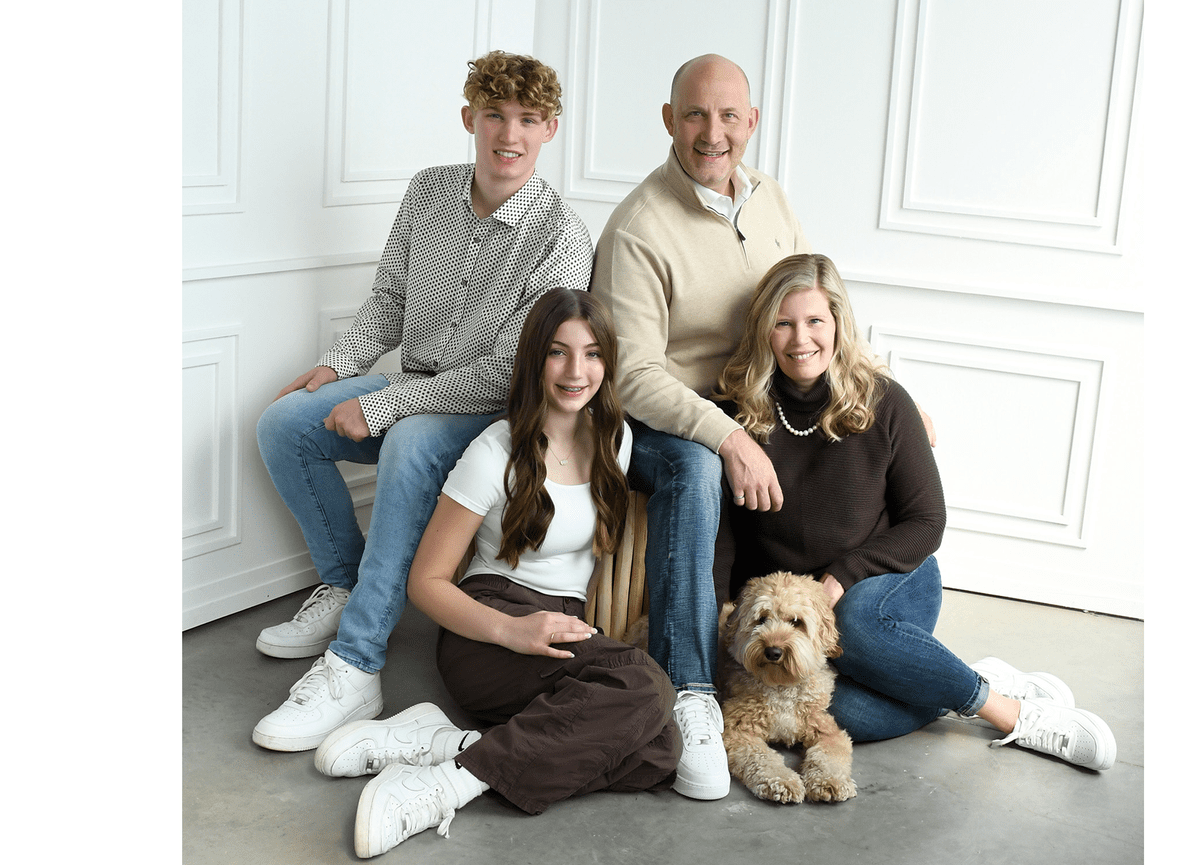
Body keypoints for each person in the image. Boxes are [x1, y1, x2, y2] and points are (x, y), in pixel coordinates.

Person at [251, 51, 595, 752]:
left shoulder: (563, 236)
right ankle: (347, 584)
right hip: (415, 383)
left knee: (408, 440)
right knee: (285, 423)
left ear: (550, 129)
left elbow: (509, 371)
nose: (510, 133)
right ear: (470, 117)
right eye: (495, 114)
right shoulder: (428, 192)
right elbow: (389, 300)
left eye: (528, 119)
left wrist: (385, 407)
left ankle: (356, 663)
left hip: (488, 409)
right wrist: (337, 365)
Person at [308, 289, 679, 858]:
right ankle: (442, 788)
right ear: (535, 359)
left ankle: (446, 745)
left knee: (660, 751)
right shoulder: (495, 450)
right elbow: (426, 582)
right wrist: (514, 631)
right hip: (488, 628)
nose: (576, 371)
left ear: (608, 361)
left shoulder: (615, 439)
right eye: (558, 353)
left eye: (592, 353)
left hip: (563, 636)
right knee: (644, 688)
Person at [711, 253, 1117, 770]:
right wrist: (720, 617)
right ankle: (952, 675)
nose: (800, 340)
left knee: (854, 622)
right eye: (783, 324)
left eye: (815, 321)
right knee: (834, 712)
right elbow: (723, 536)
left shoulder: (884, 401)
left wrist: (839, 579)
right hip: (795, 609)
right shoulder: (733, 414)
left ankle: (1009, 713)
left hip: (889, 578)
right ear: (763, 330)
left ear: (838, 323)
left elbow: (927, 522)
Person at [589, 53, 812, 801]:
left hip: (748, 403)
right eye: (694, 114)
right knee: (695, 466)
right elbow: (633, 376)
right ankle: (688, 693)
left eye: (727, 116)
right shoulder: (641, 227)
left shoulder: (770, 198)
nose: (711, 132)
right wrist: (728, 435)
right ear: (668, 120)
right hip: (656, 422)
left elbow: (813, 301)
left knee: (869, 435)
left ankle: (856, 640)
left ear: (751, 123)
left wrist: (872, 386)